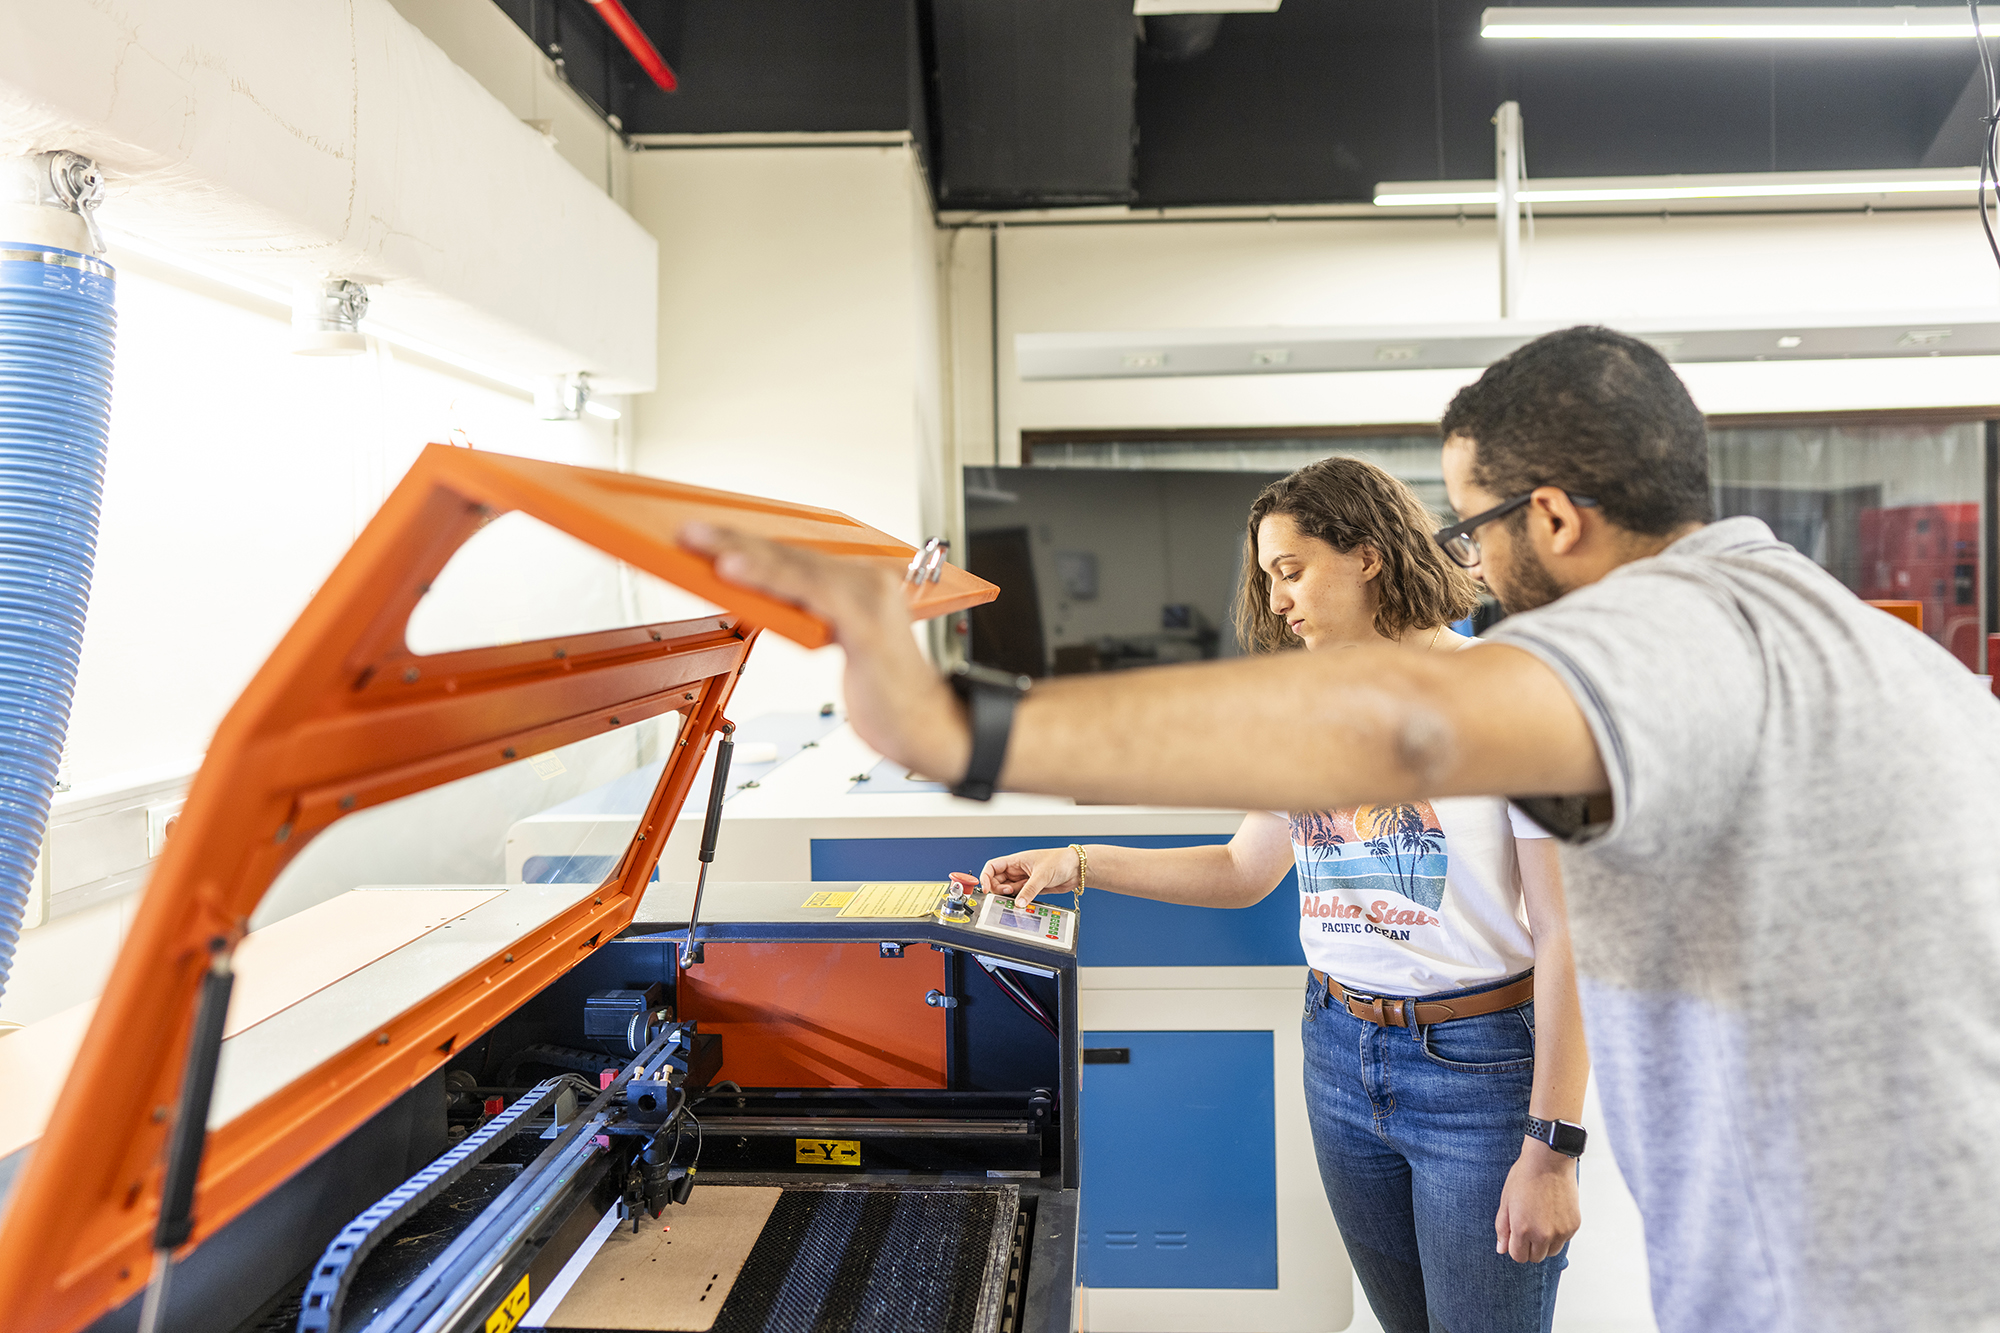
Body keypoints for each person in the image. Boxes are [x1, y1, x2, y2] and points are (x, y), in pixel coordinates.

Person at [680, 326, 2000, 1333]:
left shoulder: (1658, 636)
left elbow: (1413, 728)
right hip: (1864, 1224)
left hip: (1863, 1270)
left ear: (1552, 515)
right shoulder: (1800, 623)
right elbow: (1304, 814)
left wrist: (953, 729)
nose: (1471, 561)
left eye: (1478, 522)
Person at [954, 457, 1588, 1333]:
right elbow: (1244, 867)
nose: (1278, 600)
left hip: (1474, 1070)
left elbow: (1569, 935)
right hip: (1337, 1050)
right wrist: (1080, 859)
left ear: (1368, 554)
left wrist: (1554, 1150)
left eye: (1291, 571)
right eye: (1268, 579)